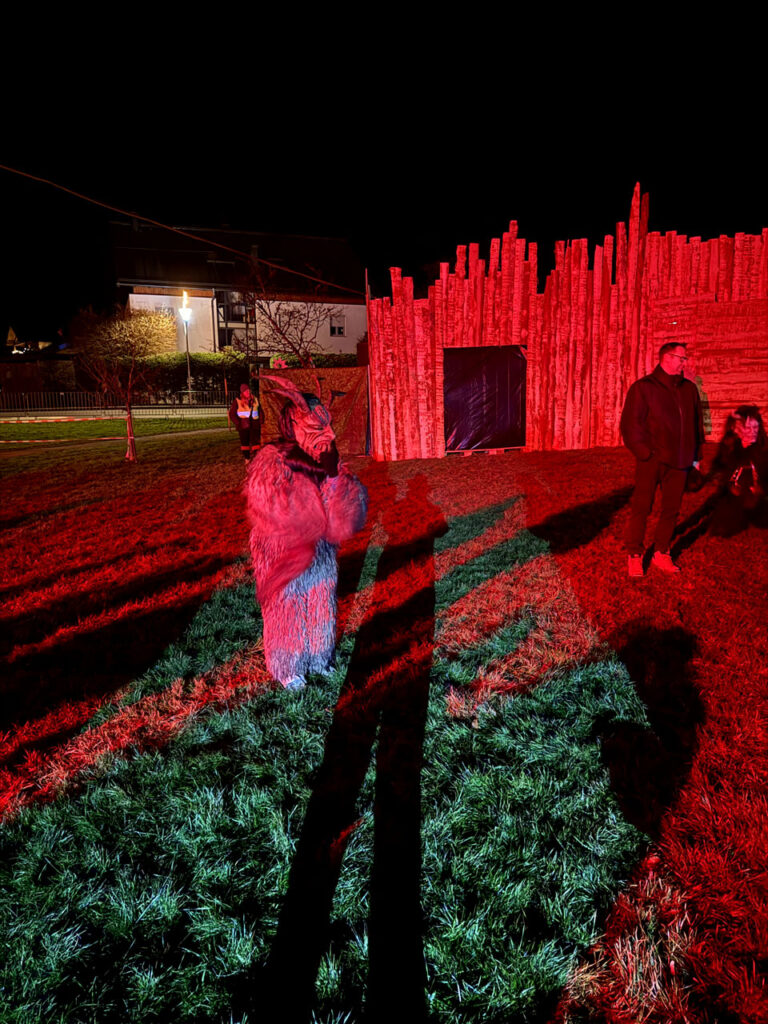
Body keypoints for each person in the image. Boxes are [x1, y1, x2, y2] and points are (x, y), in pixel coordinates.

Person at [244, 376, 367, 690]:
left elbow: (345, 520)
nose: (331, 435)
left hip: (321, 553)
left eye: (327, 427)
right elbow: (271, 508)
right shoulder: (273, 461)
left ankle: (319, 658)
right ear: (292, 426)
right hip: (286, 555)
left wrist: (333, 478)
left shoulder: (328, 458)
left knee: (320, 602)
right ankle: (288, 667)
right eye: (316, 429)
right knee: (288, 606)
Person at [620, 342, 705, 577]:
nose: (684, 363)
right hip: (652, 461)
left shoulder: (689, 389)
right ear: (667, 358)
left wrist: (696, 456)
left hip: (681, 460)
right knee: (642, 508)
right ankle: (635, 555)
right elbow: (630, 426)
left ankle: (661, 552)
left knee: (671, 509)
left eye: (684, 359)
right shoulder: (643, 388)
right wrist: (646, 454)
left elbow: (696, 424)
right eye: (681, 358)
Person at [708, 405, 767, 536]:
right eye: (748, 428)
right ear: (739, 429)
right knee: (725, 527)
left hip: (757, 495)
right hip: (734, 494)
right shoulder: (730, 446)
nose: (753, 432)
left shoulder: (762, 448)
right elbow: (719, 470)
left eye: (755, 428)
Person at [228, 383, 260, 460]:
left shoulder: (255, 399)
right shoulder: (237, 401)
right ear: (242, 392)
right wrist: (238, 423)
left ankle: (256, 458)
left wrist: (260, 420)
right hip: (243, 426)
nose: (248, 392)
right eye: (246, 391)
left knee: (256, 443)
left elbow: (260, 410)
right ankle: (247, 459)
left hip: (254, 425)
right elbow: (232, 414)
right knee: (245, 443)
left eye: (248, 390)